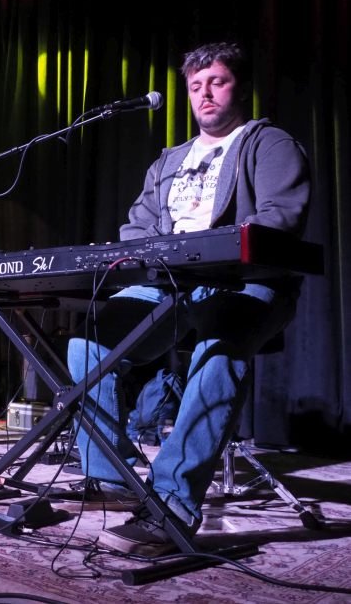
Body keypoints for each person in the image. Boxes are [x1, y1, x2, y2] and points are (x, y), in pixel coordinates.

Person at [67, 42, 311, 556]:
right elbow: (136, 227)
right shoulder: (169, 160)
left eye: (217, 82)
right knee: (88, 345)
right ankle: (111, 477)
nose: (205, 94)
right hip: (168, 286)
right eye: (196, 86)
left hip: (245, 284)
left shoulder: (269, 144)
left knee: (219, 349)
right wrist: (154, 258)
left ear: (241, 87)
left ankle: (170, 505)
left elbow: (279, 219)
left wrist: (209, 253)